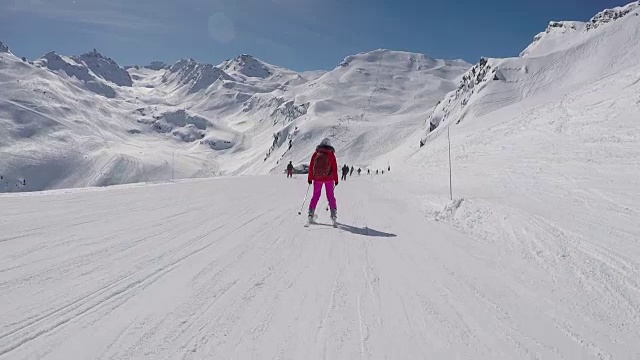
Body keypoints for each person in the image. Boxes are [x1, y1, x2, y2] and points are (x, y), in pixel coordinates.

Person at [307, 138, 338, 222]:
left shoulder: (316, 153)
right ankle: (333, 215)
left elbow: (311, 167)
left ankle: (310, 214)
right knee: (330, 196)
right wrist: (336, 180)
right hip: (329, 179)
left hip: (317, 178)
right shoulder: (331, 154)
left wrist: (310, 178)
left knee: (315, 196)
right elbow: (334, 168)